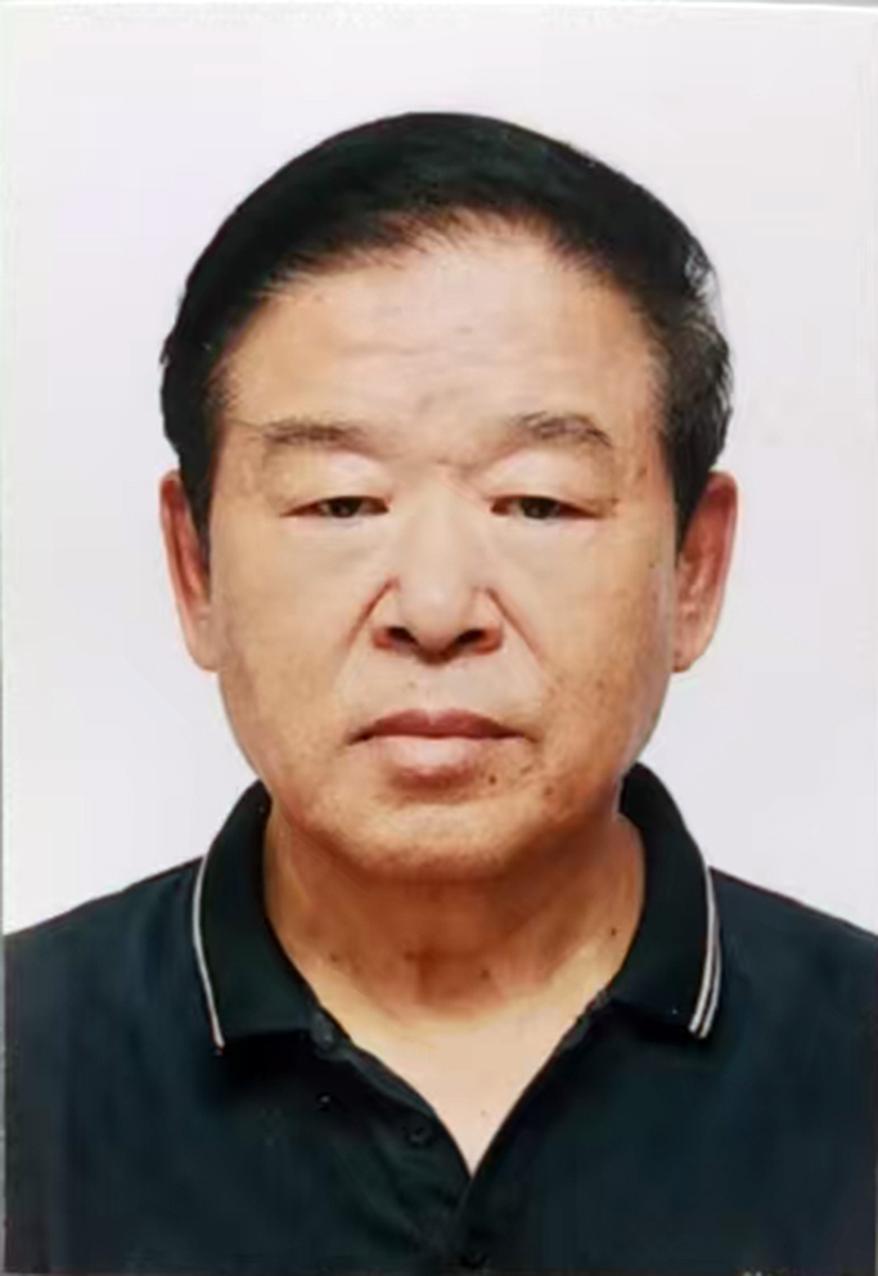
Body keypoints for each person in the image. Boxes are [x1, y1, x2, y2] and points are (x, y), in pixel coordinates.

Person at [6, 112, 875, 1276]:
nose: (432, 606)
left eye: (537, 502)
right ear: (195, 566)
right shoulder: (25, 1066)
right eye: (339, 502)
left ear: (693, 570)